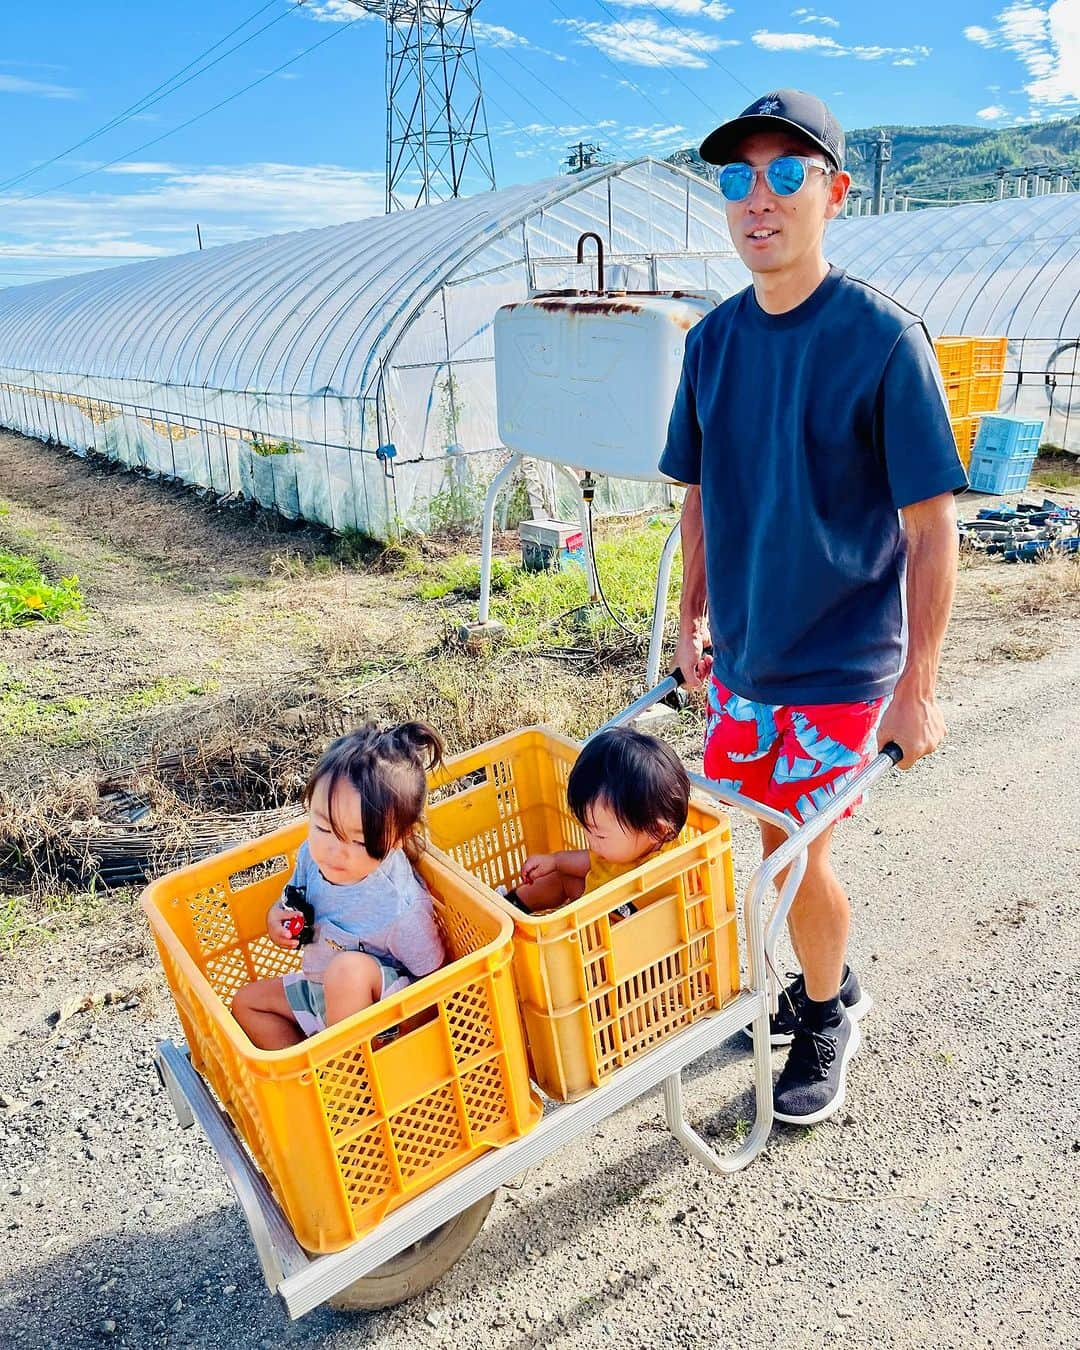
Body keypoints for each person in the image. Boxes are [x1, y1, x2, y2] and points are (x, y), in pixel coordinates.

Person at [660, 89, 966, 1125]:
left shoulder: (882, 341)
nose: (759, 197)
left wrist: (918, 690)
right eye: (737, 176)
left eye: (786, 174)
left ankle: (831, 1009)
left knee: (794, 848)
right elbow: (699, 494)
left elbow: (931, 530)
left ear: (833, 194)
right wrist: (691, 621)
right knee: (764, 842)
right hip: (745, 654)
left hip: (843, 663)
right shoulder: (711, 345)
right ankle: (819, 977)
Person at [232, 722, 446, 1049]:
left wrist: (401, 1036)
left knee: (347, 972)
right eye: (323, 827)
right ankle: (309, 1081)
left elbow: (434, 985)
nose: (335, 850)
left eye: (358, 842)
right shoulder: (311, 855)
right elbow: (291, 901)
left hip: (381, 1017)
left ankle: (347, 1073)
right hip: (319, 990)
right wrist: (276, 919)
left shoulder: (400, 908)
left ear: (399, 839)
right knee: (247, 1003)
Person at [504, 726, 690, 915]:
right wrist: (555, 861)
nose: (591, 841)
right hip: (594, 904)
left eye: (600, 835)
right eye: (587, 829)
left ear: (656, 831)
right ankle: (510, 908)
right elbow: (594, 861)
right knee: (560, 877)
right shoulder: (626, 848)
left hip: (614, 932)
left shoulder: (665, 874)